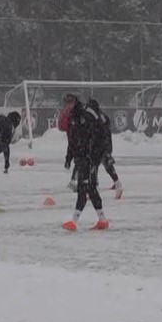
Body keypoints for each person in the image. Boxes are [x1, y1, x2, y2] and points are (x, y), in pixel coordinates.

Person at [62, 99, 108, 232]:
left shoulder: (85, 117)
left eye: (69, 104)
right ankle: (102, 220)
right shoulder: (72, 119)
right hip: (81, 158)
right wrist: (69, 158)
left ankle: (74, 222)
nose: (66, 106)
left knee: (84, 188)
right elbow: (72, 141)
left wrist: (92, 155)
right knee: (90, 189)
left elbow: (95, 136)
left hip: (88, 158)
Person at [86, 99, 122, 198]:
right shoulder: (103, 116)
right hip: (107, 143)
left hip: (98, 144)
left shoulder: (94, 117)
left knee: (93, 166)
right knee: (107, 165)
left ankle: (93, 189)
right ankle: (118, 183)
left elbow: (93, 132)